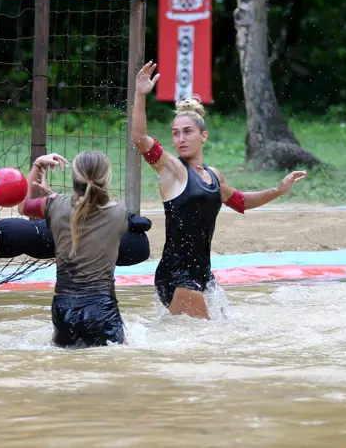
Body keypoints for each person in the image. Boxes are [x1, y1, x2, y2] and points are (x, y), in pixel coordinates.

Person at [130, 61, 307, 319]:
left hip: (203, 275)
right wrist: (140, 94)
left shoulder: (213, 176)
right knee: (205, 341)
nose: (180, 138)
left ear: (203, 136)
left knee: (214, 334)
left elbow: (241, 202)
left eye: (187, 132)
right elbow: (139, 138)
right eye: (176, 133)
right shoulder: (172, 170)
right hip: (177, 274)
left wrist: (278, 190)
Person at [19, 150, 131, 348]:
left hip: (64, 309)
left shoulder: (54, 205)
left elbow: (23, 206)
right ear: (106, 178)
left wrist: (37, 165)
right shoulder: (120, 212)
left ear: (74, 178)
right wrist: (52, 195)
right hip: (101, 308)